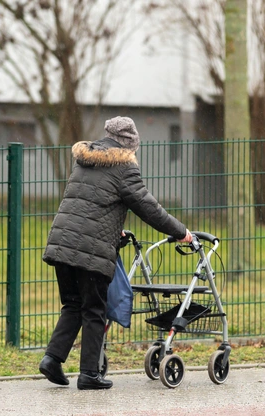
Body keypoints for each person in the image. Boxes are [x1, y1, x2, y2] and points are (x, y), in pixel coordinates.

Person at [39, 116, 192, 390]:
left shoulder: (86, 161)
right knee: (95, 309)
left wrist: (113, 230)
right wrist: (181, 232)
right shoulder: (123, 168)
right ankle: (89, 375)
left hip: (62, 242)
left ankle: (52, 359)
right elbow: (149, 208)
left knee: (73, 304)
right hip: (91, 250)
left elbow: (91, 204)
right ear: (129, 145)